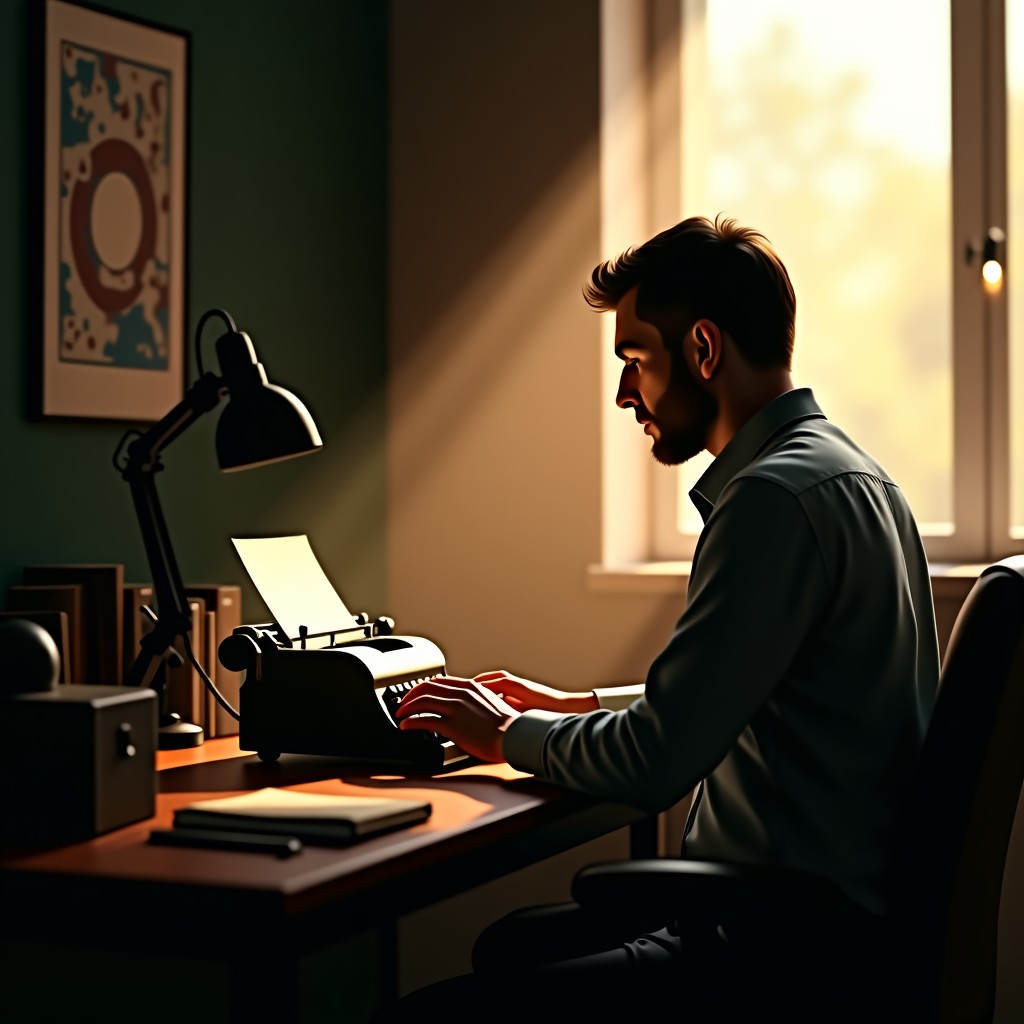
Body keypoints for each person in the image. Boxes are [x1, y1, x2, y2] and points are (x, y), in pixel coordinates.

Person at [383, 215, 940, 1021]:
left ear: (703, 352)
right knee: (512, 949)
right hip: (837, 928)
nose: (623, 393)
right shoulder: (856, 479)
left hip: (779, 954)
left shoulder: (771, 503)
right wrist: (574, 708)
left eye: (635, 360)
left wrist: (503, 734)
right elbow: (748, 695)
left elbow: (655, 764)